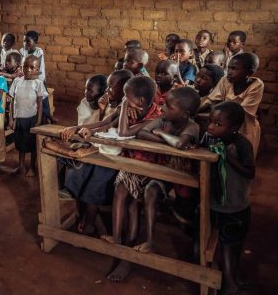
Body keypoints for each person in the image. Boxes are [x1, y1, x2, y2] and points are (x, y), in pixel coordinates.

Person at [59, 70, 133, 236]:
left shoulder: (127, 108)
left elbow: (110, 127)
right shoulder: (113, 106)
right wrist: (78, 127)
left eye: (111, 88)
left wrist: (82, 129)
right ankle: (83, 214)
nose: (107, 92)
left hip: (112, 157)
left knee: (93, 186)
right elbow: (104, 122)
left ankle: (91, 222)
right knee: (76, 167)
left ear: (124, 90)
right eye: (107, 88)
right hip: (100, 151)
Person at [104, 76, 162, 282]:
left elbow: (123, 132)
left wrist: (123, 109)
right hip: (132, 164)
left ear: (140, 101)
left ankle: (127, 255)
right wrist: (124, 110)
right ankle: (117, 240)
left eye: (126, 98)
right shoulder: (134, 108)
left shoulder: (156, 116)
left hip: (150, 168)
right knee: (120, 189)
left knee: (131, 203)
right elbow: (110, 125)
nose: (123, 101)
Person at [135, 87, 201, 253]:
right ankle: (149, 241)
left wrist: (161, 134)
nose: (163, 108)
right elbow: (142, 133)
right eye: (164, 104)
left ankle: (196, 239)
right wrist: (166, 141)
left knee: (187, 217)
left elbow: (180, 143)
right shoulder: (164, 119)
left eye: (169, 107)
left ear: (185, 114)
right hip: (165, 171)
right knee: (150, 191)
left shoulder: (193, 126)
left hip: (186, 177)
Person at [202, 102, 255, 295]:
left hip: (236, 204)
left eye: (217, 124)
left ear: (234, 128)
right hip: (215, 203)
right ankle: (228, 279)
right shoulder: (208, 138)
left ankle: (232, 275)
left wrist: (228, 157)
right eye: (210, 122)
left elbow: (250, 172)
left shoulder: (242, 145)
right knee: (223, 242)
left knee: (235, 242)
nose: (211, 127)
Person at [199, 53, 263, 158]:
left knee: (242, 157)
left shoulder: (256, 86)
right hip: (224, 126)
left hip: (244, 127)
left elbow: (242, 112)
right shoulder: (225, 80)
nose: (229, 72)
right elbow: (212, 100)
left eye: (234, 69)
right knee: (220, 157)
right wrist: (196, 110)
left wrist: (217, 107)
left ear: (249, 72)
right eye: (228, 68)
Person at [8, 55, 47, 177]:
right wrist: (11, 118)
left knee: (32, 144)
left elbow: (40, 104)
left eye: (32, 67)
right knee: (20, 144)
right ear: (21, 67)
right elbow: (12, 102)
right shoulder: (17, 81)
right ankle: (21, 166)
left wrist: (39, 120)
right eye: (26, 66)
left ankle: (32, 167)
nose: (28, 70)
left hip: (32, 119)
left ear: (37, 70)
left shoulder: (38, 83)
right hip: (19, 118)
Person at [20, 30, 54, 123]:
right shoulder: (22, 51)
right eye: (23, 41)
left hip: (38, 78)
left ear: (35, 43)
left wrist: (26, 73)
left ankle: (47, 116)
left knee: (43, 96)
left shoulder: (39, 52)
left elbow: (38, 71)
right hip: (27, 78)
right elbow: (21, 66)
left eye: (28, 42)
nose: (25, 44)